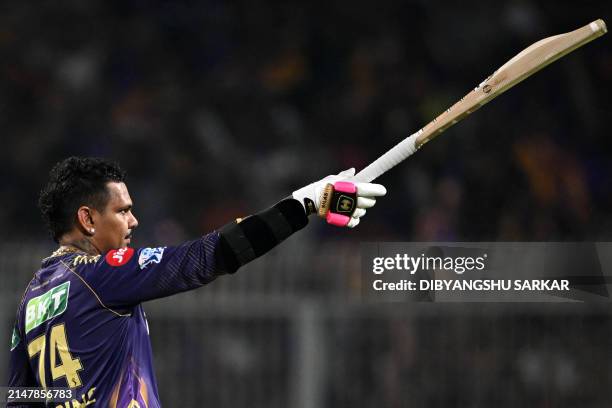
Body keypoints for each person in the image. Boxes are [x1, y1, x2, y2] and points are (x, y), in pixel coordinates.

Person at [8, 156, 386, 407]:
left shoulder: (30, 300)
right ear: (88, 220)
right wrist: (305, 204)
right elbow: (208, 256)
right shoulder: (101, 273)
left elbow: (20, 398)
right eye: (123, 211)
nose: (134, 221)